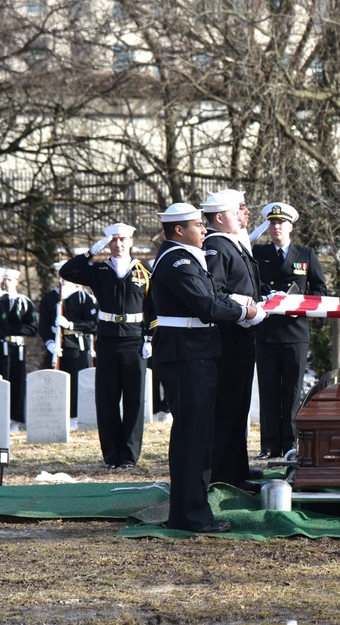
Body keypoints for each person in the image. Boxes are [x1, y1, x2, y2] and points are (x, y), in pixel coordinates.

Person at [148, 202, 265, 534]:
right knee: (193, 438)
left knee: (196, 437)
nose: (204, 230)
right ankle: (192, 515)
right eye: (198, 225)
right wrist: (247, 314)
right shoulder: (178, 260)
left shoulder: (185, 259)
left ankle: (189, 512)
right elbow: (207, 304)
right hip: (187, 354)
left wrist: (240, 305)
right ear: (179, 230)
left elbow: (213, 294)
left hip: (195, 353)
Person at [59, 224, 151, 468]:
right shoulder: (99, 269)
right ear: (108, 244)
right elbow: (67, 271)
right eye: (113, 240)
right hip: (108, 339)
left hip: (135, 340)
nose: (118, 245)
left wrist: (150, 338)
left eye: (123, 240)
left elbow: (155, 306)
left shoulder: (144, 270)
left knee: (134, 400)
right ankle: (112, 456)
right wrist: (90, 252)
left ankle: (130, 457)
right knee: (107, 399)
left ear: (131, 241)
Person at [251, 202, 329, 460]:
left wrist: (296, 300)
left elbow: (320, 291)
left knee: (292, 391)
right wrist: (268, 295)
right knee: (269, 390)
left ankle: (291, 445)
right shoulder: (257, 253)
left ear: (291, 227)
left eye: (281, 223)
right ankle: (269, 446)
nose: (276, 227)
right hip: (266, 331)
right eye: (272, 223)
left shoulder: (305, 254)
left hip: (295, 331)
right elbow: (250, 284)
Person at [201, 190, 267, 490]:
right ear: (219, 217)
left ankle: (236, 468)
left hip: (242, 332)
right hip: (228, 335)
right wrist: (246, 306)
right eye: (236, 210)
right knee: (228, 408)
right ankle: (226, 474)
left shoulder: (232, 244)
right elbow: (214, 292)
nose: (243, 214)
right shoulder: (216, 246)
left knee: (239, 406)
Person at [38, 263, 98, 427]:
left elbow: (94, 324)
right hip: (57, 347)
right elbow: (43, 325)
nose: (62, 278)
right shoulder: (50, 298)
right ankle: (60, 415)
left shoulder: (83, 297)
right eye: (59, 274)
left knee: (77, 383)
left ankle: (76, 417)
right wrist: (49, 342)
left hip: (77, 347)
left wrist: (70, 324)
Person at [0, 269, 38, 432]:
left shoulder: (25, 302)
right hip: (2, 346)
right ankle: (3, 416)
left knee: (18, 381)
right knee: (3, 378)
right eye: (4, 279)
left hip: (18, 347)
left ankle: (16, 419)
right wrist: (13, 328)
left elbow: (32, 328)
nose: (6, 283)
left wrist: (12, 329)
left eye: (10, 280)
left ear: (16, 282)